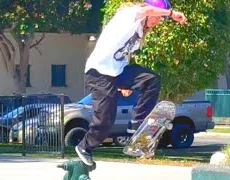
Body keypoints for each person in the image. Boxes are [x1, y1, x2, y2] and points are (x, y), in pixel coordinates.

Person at [75, 0, 187, 166]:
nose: (158, 22)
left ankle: (137, 123)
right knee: (105, 120)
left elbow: (122, 57)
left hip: (117, 72)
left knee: (151, 80)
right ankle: (84, 146)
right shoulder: (129, 14)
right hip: (98, 73)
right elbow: (147, 9)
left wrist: (125, 83)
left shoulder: (139, 33)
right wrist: (171, 14)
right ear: (150, 12)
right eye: (158, 18)